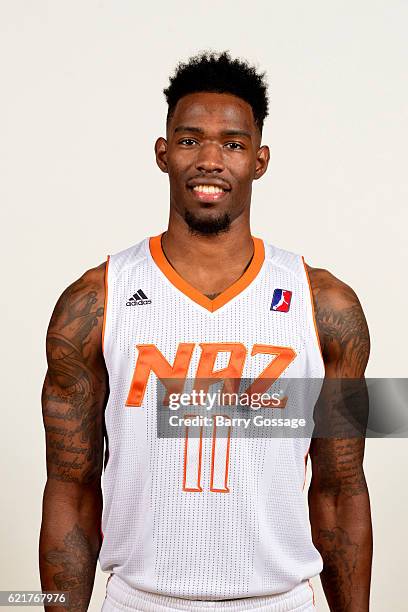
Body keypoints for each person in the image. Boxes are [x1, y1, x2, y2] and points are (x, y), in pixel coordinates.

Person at [39, 51, 372, 611]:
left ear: (259, 160)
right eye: (191, 140)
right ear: (162, 153)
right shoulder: (95, 302)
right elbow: (70, 493)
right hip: (140, 600)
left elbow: (340, 492)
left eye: (233, 143)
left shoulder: (325, 306)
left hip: (278, 601)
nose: (211, 160)